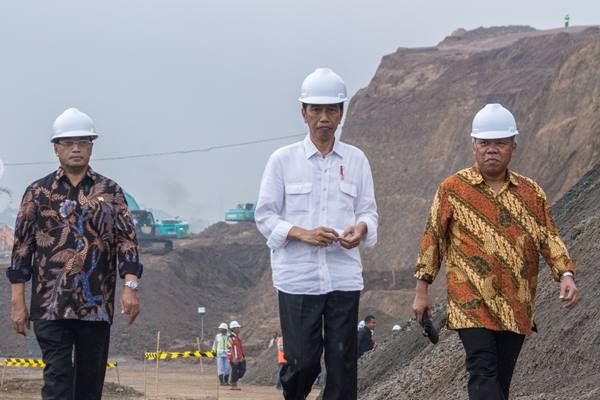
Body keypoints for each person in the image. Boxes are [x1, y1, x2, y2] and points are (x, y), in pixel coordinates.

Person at [412, 103, 578, 400]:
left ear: (513, 147)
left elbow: (549, 237)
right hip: (470, 302)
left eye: (500, 143)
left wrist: (565, 274)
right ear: (473, 146)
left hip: (517, 302)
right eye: (484, 143)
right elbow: (433, 238)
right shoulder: (453, 189)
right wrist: (421, 290)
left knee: (500, 380)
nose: (491, 149)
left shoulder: (531, 193)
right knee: (482, 370)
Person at [255, 67, 379, 400]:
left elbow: (368, 211)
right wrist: (302, 234)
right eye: (316, 110)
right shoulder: (282, 161)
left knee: (342, 365)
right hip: (298, 280)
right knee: (303, 363)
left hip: (343, 277)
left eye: (331, 110)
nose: (324, 117)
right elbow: (264, 216)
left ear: (341, 113)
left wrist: (361, 228)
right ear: (304, 113)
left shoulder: (356, 160)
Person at [7, 107, 142, 400]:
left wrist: (130, 287)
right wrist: (18, 303)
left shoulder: (111, 192)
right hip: (50, 305)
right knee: (57, 378)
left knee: (90, 384)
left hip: (96, 304)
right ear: (56, 148)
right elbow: (21, 251)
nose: (76, 149)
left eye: (83, 142)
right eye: (68, 143)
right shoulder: (37, 193)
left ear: (92, 146)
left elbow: (127, 243)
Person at [227, 320, 246, 391]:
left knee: (242, 370)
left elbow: (239, 348)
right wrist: (234, 358)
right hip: (233, 358)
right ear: (233, 329)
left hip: (240, 358)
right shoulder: (230, 338)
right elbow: (230, 347)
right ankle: (233, 384)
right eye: (238, 328)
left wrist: (243, 356)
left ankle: (233, 381)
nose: (239, 329)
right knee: (235, 371)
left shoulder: (237, 338)